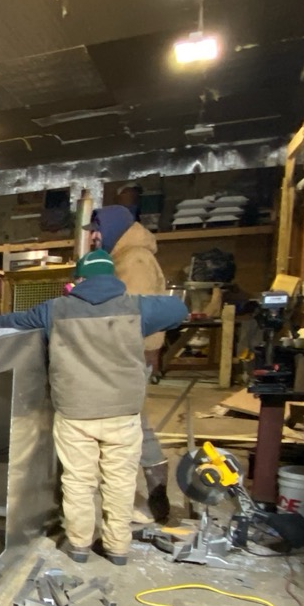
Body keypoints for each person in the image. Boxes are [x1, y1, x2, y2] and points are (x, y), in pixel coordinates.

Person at [0, 250, 187, 565]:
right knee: (120, 481)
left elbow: (13, 322)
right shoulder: (136, 307)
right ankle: (117, 548)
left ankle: (79, 546)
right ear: (112, 278)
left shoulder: (56, 310)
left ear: (80, 280)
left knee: (77, 480)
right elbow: (179, 308)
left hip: (76, 414)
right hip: (122, 414)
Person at [84, 204, 172, 523]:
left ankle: (150, 488)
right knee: (132, 418)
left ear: (112, 228)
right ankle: (148, 485)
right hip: (125, 352)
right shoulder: (121, 256)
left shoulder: (134, 259)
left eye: (95, 230)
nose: (92, 237)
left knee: (127, 420)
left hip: (128, 353)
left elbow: (131, 315)